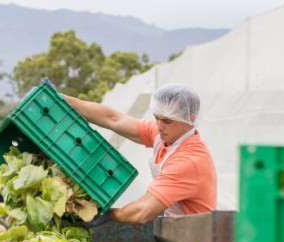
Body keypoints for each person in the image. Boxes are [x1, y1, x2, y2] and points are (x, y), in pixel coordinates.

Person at [63, 83, 217, 225]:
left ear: (191, 119)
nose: (159, 126)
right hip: (179, 231)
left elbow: (142, 212)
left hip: (198, 241)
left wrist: (109, 215)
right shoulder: (165, 136)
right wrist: (63, 99)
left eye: (167, 121)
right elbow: (114, 119)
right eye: (156, 118)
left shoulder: (189, 161)